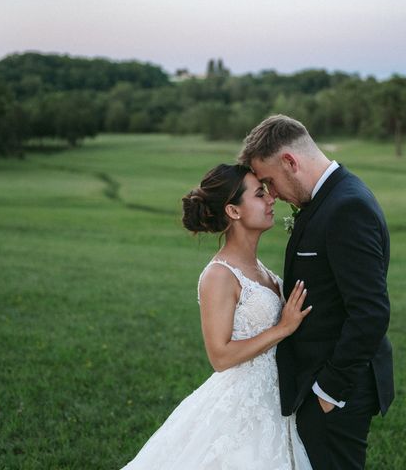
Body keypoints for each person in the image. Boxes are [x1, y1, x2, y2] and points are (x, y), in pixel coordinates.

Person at [121, 164, 313, 470]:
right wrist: (282, 329)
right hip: (242, 405)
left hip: (277, 400)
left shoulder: (260, 267)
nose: (271, 199)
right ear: (233, 211)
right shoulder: (219, 275)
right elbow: (219, 356)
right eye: (260, 194)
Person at [239, 115, 394, 470]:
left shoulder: (347, 207)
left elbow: (371, 313)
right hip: (316, 383)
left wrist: (328, 392)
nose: (272, 193)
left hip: (337, 390)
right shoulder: (325, 199)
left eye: (269, 181)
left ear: (290, 162)